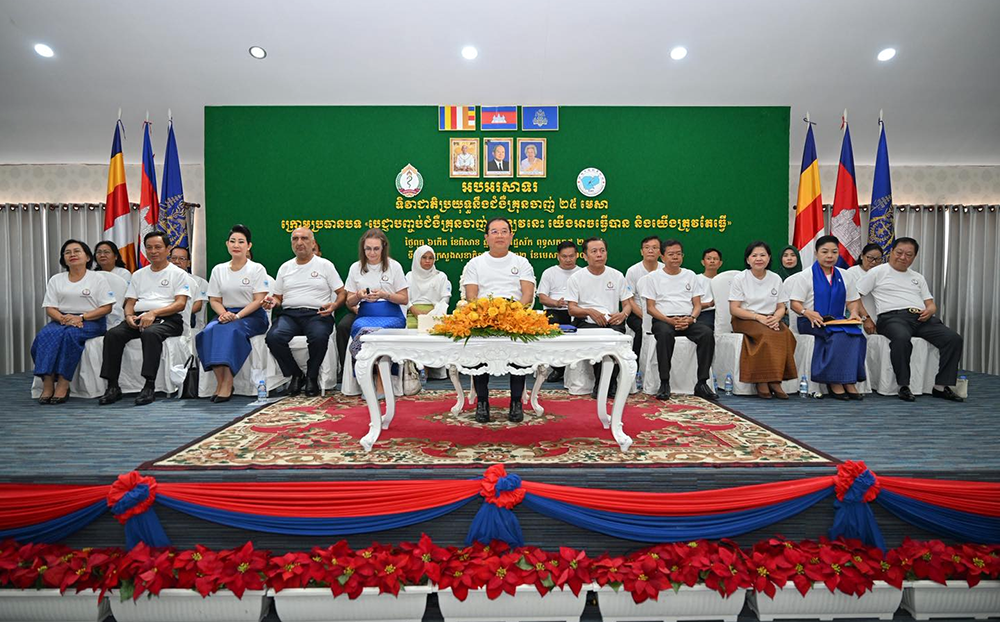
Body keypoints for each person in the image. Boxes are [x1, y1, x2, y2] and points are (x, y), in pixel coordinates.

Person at [856, 237, 964, 402]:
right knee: (901, 338)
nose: (903, 257)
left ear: (914, 257)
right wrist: (866, 319)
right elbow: (854, 296)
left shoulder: (917, 277)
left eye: (909, 254)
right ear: (891, 252)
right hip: (892, 318)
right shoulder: (877, 272)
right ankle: (903, 385)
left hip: (921, 318)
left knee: (953, 339)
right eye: (899, 253)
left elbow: (930, 304)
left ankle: (941, 386)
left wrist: (930, 310)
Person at [98, 231, 191, 406]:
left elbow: (180, 304)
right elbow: (130, 302)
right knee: (113, 335)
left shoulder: (178, 274)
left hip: (168, 319)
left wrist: (154, 313)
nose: (153, 251)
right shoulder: (138, 274)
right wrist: (128, 316)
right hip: (140, 316)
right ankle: (112, 386)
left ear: (168, 249)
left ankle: (149, 385)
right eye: (149, 247)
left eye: (158, 247)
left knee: (150, 333)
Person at [464, 216, 536, 422]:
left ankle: (516, 402)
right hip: (484, 318)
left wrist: (511, 314)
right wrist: (487, 315)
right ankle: (482, 402)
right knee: (478, 350)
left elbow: (527, 295)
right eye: (494, 232)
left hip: (515, 316)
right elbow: (471, 296)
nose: (500, 236)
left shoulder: (521, 262)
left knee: (520, 352)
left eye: (504, 231)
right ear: (486, 237)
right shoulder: (475, 263)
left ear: (511, 236)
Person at [263, 227, 346, 397]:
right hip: (290, 315)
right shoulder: (285, 268)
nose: (299, 242)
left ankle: (312, 377)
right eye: (295, 239)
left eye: (304, 238)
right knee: (273, 337)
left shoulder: (325, 265)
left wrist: (334, 305)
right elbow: (278, 297)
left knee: (319, 336)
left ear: (313, 243)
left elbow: (342, 292)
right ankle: (296, 374)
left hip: (317, 314)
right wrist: (273, 302)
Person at [32, 240, 115, 404]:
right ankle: (48, 382)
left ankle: (63, 383)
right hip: (62, 319)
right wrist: (63, 318)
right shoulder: (56, 279)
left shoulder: (97, 278)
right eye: (68, 252)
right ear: (63, 258)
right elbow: (50, 308)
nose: (72, 255)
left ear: (87, 257)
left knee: (71, 336)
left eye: (77, 251)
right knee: (45, 335)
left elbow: (107, 307)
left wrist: (81, 317)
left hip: (91, 320)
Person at [196, 225, 270, 403]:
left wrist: (236, 316)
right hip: (226, 314)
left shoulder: (256, 269)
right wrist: (224, 314)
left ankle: (228, 382)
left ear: (248, 246)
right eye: (233, 241)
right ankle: (220, 381)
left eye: (241, 242)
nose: (236, 245)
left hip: (252, 315)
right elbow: (214, 299)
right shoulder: (218, 270)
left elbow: (258, 300)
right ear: (227, 244)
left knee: (230, 330)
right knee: (208, 332)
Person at [789, 235, 866, 400]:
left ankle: (849, 381)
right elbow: (795, 303)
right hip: (811, 321)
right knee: (839, 336)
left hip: (838, 321)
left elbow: (852, 301)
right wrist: (806, 312)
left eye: (834, 252)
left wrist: (854, 313)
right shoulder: (806, 275)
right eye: (825, 252)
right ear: (816, 253)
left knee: (857, 336)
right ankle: (835, 381)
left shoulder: (845, 275)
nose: (830, 256)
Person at [644, 239, 718, 401]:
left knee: (706, 334)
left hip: (687, 319)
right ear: (662, 257)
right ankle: (664, 382)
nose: (675, 257)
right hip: (663, 320)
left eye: (678, 254)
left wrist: (691, 318)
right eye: (671, 254)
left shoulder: (690, 275)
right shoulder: (652, 277)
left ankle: (702, 383)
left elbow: (697, 304)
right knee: (664, 335)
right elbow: (650, 308)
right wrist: (668, 320)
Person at [728, 241, 797, 399]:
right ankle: (762, 380)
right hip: (745, 319)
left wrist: (776, 318)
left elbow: (781, 306)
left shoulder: (775, 278)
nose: (758, 259)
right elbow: (734, 309)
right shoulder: (740, 278)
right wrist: (758, 318)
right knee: (767, 335)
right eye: (754, 255)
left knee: (786, 335)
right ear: (748, 259)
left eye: (762, 255)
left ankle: (775, 380)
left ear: (769, 258)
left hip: (770, 318)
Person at [566, 237, 632, 400]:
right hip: (586, 322)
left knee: (615, 342)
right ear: (585, 256)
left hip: (612, 321)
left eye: (602, 251)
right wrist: (589, 312)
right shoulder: (576, 278)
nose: (599, 255)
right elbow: (572, 309)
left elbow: (628, 304)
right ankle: (601, 384)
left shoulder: (617, 275)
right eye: (594, 251)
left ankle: (611, 383)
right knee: (599, 342)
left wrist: (623, 314)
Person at [344, 228, 409, 393]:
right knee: (362, 329)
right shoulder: (355, 268)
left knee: (380, 333)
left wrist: (384, 294)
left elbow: (404, 298)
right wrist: (359, 295)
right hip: (365, 314)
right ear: (363, 248)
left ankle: (380, 382)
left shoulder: (394, 266)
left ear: (383, 248)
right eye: (368, 249)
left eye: (376, 249)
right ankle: (369, 378)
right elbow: (349, 301)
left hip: (391, 314)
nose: (372, 253)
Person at [536, 241, 581, 383]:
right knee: (551, 324)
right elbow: (542, 298)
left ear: (577, 256)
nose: (568, 260)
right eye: (564, 256)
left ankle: (575, 368)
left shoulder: (582, 273)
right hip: (554, 310)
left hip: (576, 311)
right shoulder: (549, 273)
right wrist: (556, 303)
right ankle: (558, 368)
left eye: (571, 256)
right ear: (558, 256)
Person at [624, 236, 664, 363]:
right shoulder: (633, 271)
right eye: (647, 248)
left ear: (660, 252)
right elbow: (629, 299)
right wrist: (645, 316)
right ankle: (635, 365)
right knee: (641, 329)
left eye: (654, 248)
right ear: (642, 251)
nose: (650, 250)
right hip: (638, 313)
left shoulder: (665, 270)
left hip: (662, 313)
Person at [405, 245, 451, 328]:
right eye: (424, 257)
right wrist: (414, 311)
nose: (427, 261)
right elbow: (405, 298)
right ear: (417, 258)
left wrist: (433, 312)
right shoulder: (409, 276)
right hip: (412, 314)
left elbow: (445, 298)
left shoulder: (441, 276)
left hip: (436, 314)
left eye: (431, 258)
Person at [844, 243, 883, 335]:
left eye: (878, 259)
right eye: (870, 258)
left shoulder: (882, 273)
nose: (873, 262)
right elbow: (852, 299)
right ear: (862, 256)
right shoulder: (851, 273)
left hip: (879, 318)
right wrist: (866, 318)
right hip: (859, 317)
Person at [168, 246, 209, 330]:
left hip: (186, 318)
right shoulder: (162, 279)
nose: (177, 262)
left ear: (188, 263)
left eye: (182, 259)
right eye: (174, 258)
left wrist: (174, 314)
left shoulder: (199, 282)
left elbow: (197, 306)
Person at [697, 248, 723, 330]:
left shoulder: (724, 280)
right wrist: (709, 304)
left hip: (722, 313)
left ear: (720, 263)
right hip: (704, 313)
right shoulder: (696, 279)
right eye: (709, 259)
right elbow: (691, 304)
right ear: (703, 262)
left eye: (715, 259)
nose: (712, 261)